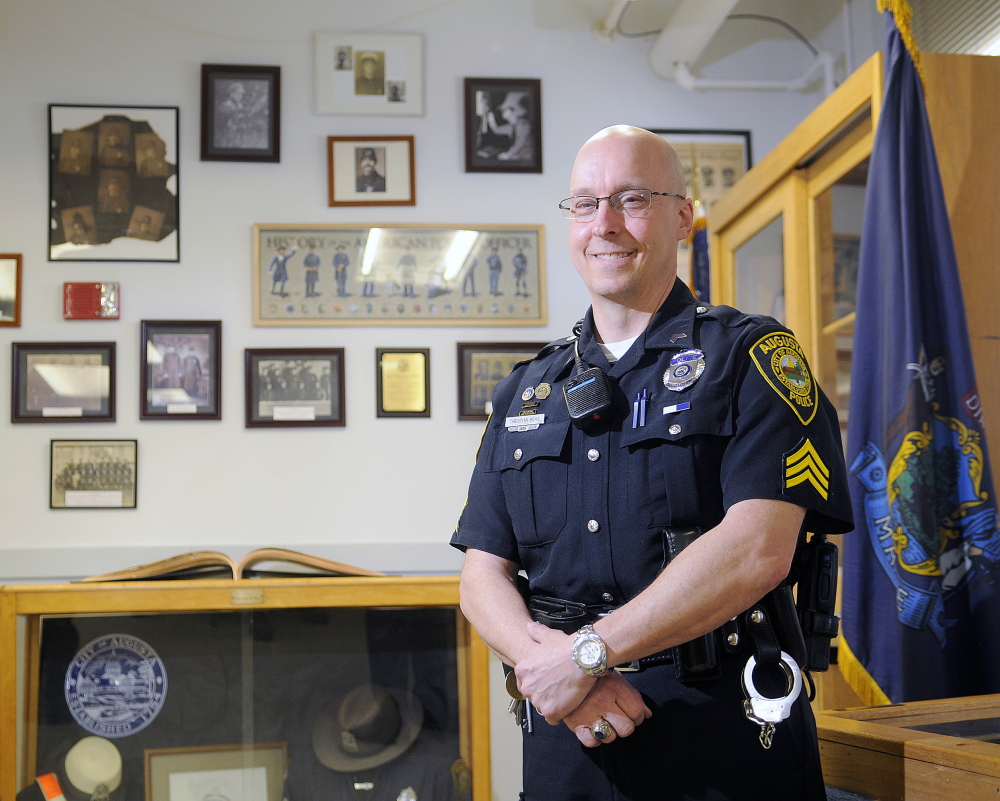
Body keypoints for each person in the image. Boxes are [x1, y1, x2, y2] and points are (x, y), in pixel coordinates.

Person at [450, 125, 853, 801]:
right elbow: (479, 573)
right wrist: (555, 675)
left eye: (631, 198)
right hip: (566, 736)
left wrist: (585, 654)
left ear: (682, 216)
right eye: (585, 203)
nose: (604, 223)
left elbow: (759, 548)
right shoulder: (526, 390)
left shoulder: (752, 359)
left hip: (719, 727)